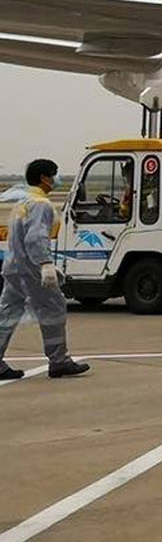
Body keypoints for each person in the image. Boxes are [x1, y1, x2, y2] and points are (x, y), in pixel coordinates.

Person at [0, 159, 89, 380]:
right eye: (55, 174)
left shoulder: (23, 202)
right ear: (44, 178)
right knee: (53, 309)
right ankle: (59, 361)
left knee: (7, 314)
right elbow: (36, 238)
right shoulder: (41, 204)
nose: (57, 178)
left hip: (13, 267)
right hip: (30, 269)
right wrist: (45, 264)